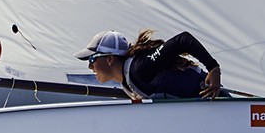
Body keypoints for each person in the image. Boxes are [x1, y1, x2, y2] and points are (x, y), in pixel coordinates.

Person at [75, 29, 223, 101]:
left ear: (109, 59)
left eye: (92, 59)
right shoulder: (127, 82)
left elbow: (182, 40)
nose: (90, 66)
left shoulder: (140, 68)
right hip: (202, 109)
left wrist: (213, 69)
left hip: (217, 100)